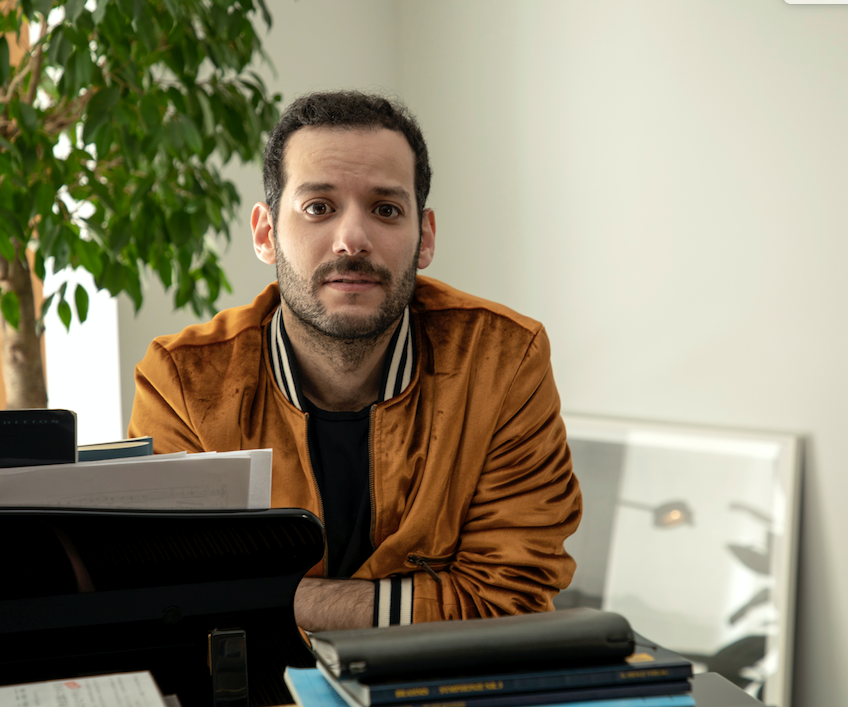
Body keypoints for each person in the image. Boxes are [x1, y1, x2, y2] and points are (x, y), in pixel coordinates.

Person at [128, 91, 581, 631]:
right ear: (266, 234)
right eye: (318, 208)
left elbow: (511, 601)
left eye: (386, 209)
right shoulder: (181, 381)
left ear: (424, 238)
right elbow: (166, 600)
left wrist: (266, 601)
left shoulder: (503, 362)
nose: (352, 240)